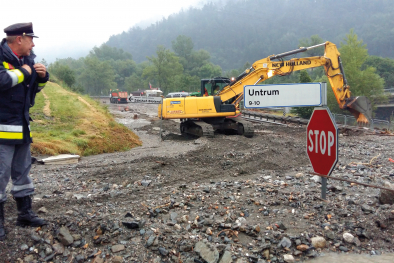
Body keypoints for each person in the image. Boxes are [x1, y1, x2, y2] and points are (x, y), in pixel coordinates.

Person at [0, 22, 49, 241]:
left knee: (22, 173)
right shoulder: (4, 58)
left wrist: (42, 77)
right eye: (31, 38)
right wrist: (26, 71)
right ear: (19, 38)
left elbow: (32, 90)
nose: (33, 43)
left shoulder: (28, 59)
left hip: (22, 127)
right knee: (0, 176)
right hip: (2, 131)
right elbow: (2, 81)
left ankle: (25, 214)